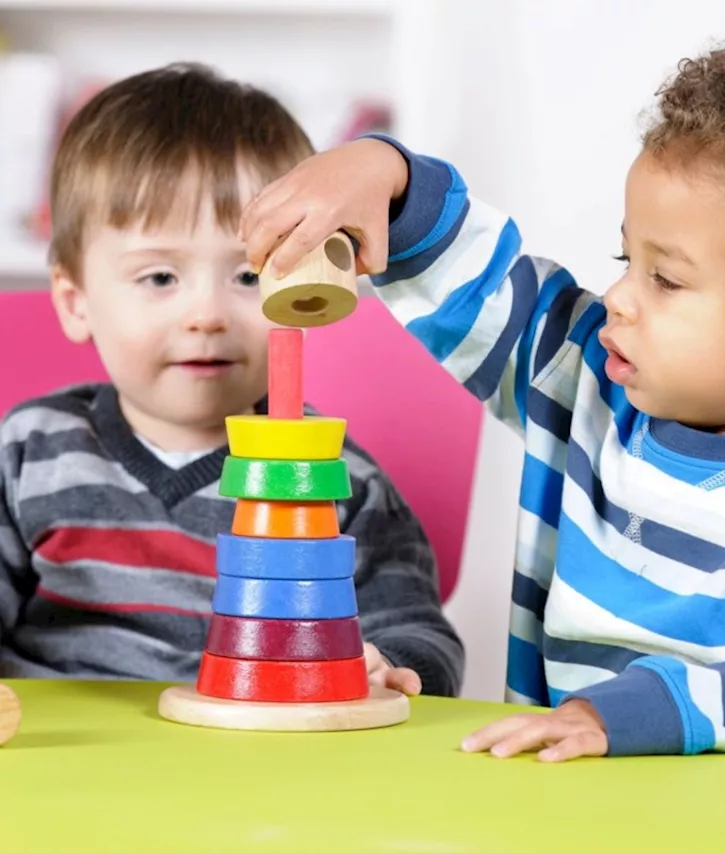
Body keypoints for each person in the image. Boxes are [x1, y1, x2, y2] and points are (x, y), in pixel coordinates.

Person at [240, 39, 725, 767]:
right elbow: (484, 290)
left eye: (666, 279)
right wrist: (388, 177)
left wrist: (641, 710)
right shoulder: (592, 378)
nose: (619, 299)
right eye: (626, 259)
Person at [0, 63, 464, 697]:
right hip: (59, 768)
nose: (207, 316)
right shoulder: (29, 452)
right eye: (160, 278)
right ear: (76, 299)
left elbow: (417, 631)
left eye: (248, 277)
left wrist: (393, 666)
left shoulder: (333, 477)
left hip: (250, 774)